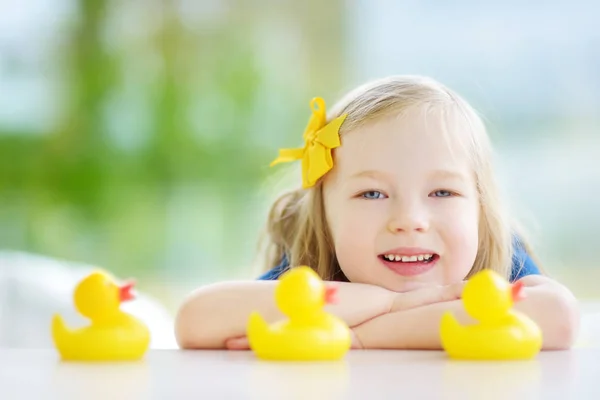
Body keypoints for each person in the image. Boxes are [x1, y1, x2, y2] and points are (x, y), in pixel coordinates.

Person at [175, 76, 579, 350]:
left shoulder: (497, 255)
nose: (409, 219)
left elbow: (558, 317)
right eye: (372, 193)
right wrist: (387, 302)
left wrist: (359, 335)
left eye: (442, 191)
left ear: (480, 209)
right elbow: (196, 320)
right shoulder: (315, 263)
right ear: (323, 217)